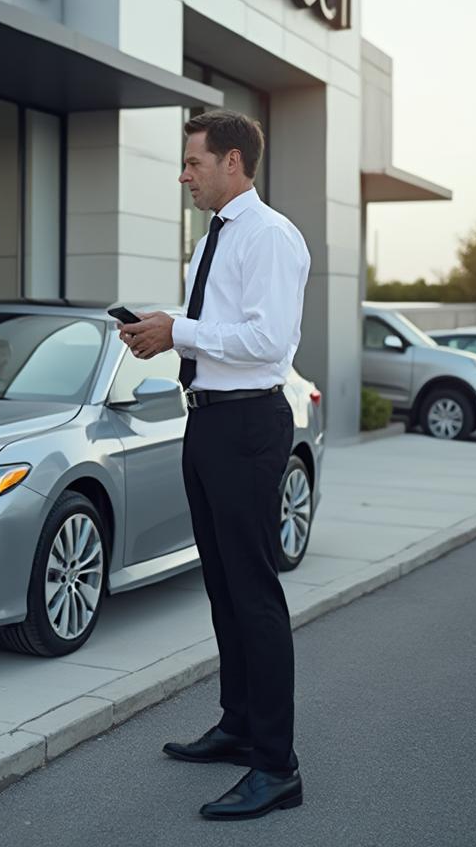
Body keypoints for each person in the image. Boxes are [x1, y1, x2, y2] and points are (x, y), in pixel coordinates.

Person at [118, 109, 311, 822]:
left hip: (249, 426)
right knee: (224, 588)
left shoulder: (270, 236)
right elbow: (215, 323)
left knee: (255, 593)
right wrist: (162, 334)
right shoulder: (213, 241)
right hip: (206, 424)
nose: (183, 175)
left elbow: (269, 341)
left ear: (233, 161)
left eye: (194, 163)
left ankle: (277, 765)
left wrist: (183, 330)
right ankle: (238, 726)